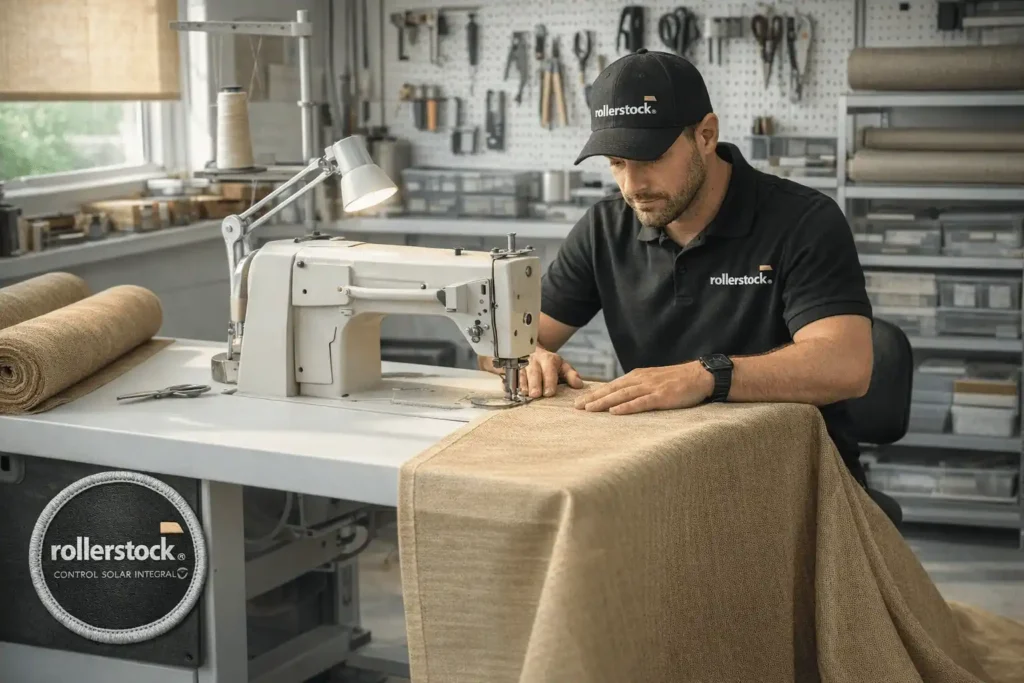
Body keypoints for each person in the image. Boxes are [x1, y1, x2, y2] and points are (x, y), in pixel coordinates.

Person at [479, 49, 874, 485]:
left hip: (795, 475)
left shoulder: (804, 221)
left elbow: (846, 365)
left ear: (706, 135)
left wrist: (706, 377)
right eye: (617, 163)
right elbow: (498, 342)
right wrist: (528, 357)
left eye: (650, 159)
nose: (633, 186)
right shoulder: (604, 228)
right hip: (666, 468)